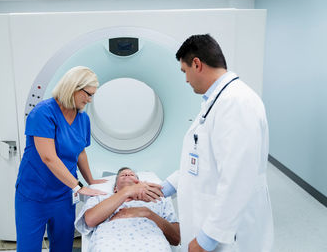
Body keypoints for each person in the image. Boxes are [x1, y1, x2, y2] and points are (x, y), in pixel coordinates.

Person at [161, 34, 274, 252]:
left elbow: (238, 177)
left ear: (197, 64)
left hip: (231, 235)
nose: (186, 80)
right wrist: (168, 186)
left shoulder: (237, 103)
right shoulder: (217, 101)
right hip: (215, 221)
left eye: (185, 72)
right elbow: (202, 157)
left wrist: (207, 238)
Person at [14, 66, 109, 252]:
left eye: (92, 95)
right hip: (34, 195)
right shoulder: (43, 113)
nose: (89, 100)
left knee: (63, 247)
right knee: (28, 248)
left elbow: (80, 151)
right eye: (88, 94)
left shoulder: (83, 119)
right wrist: (78, 186)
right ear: (73, 87)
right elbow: (48, 157)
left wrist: (90, 181)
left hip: (63, 195)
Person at [75, 167, 180, 252]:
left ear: (140, 183)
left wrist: (146, 213)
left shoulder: (158, 199)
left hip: (152, 244)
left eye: (131, 174)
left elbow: (176, 238)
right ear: (115, 188)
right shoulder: (100, 197)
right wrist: (126, 192)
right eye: (123, 175)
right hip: (109, 244)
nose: (127, 174)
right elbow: (89, 220)